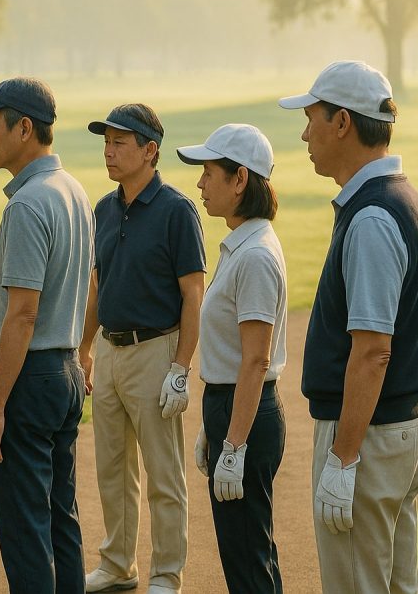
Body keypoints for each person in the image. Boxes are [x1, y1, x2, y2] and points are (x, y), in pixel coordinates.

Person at [279, 60, 418, 594]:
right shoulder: (401, 198)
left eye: (312, 117)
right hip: (399, 429)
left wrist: (343, 460)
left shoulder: (372, 217)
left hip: (367, 437)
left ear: (342, 122)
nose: (304, 133)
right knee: (396, 584)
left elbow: (372, 353)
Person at [0, 77, 94, 594]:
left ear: (25, 128)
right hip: (64, 367)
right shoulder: (75, 191)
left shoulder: (26, 205)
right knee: (61, 518)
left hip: (27, 373)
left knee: (25, 531)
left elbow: (21, 316)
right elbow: (89, 286)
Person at [79, 104, 205, 594]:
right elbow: (96, 285)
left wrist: (181, 367)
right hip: (109, 351)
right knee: (111, 468)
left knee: (163, 474)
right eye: (106, 143)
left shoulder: (177, 210)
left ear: (150, 151)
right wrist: (84, 348)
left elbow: (193, 293)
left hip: (157, 351)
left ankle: (167, 573)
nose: (109, 152)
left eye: (120, 143)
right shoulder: (103, 209)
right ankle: (117, 564)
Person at [177, 124, 287, 593]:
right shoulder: (242, 243)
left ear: (240, 179)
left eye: (208, 173)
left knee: (247, 558)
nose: (200, 184)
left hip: (247, 412)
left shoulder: (256, 256)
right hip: (233, 406)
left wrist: (234, 445)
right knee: (247, 551)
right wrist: (215, 423)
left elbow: (256, 361)